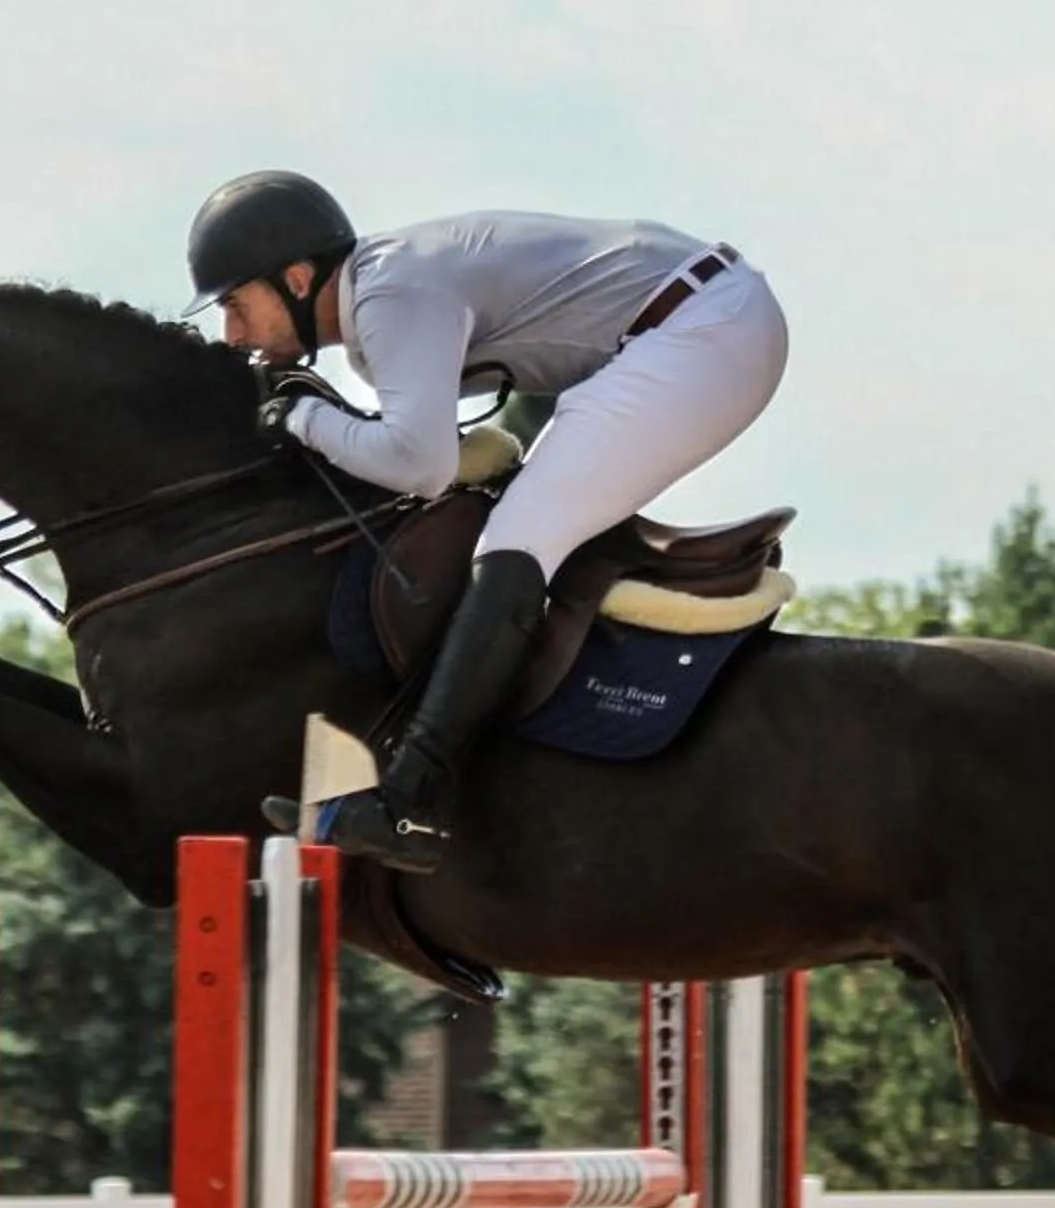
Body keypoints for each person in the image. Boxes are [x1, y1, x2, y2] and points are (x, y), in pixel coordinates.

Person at [185, 170, 791, 874]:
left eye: (235, 303)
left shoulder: (388, 295)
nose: (231, 334)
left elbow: (420, 463)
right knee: (521, 513)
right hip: (691, 321)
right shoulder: (380, 301)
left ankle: (413, 799)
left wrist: (300, 416)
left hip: (703, 332)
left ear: (295, 276)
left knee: (518, 537)